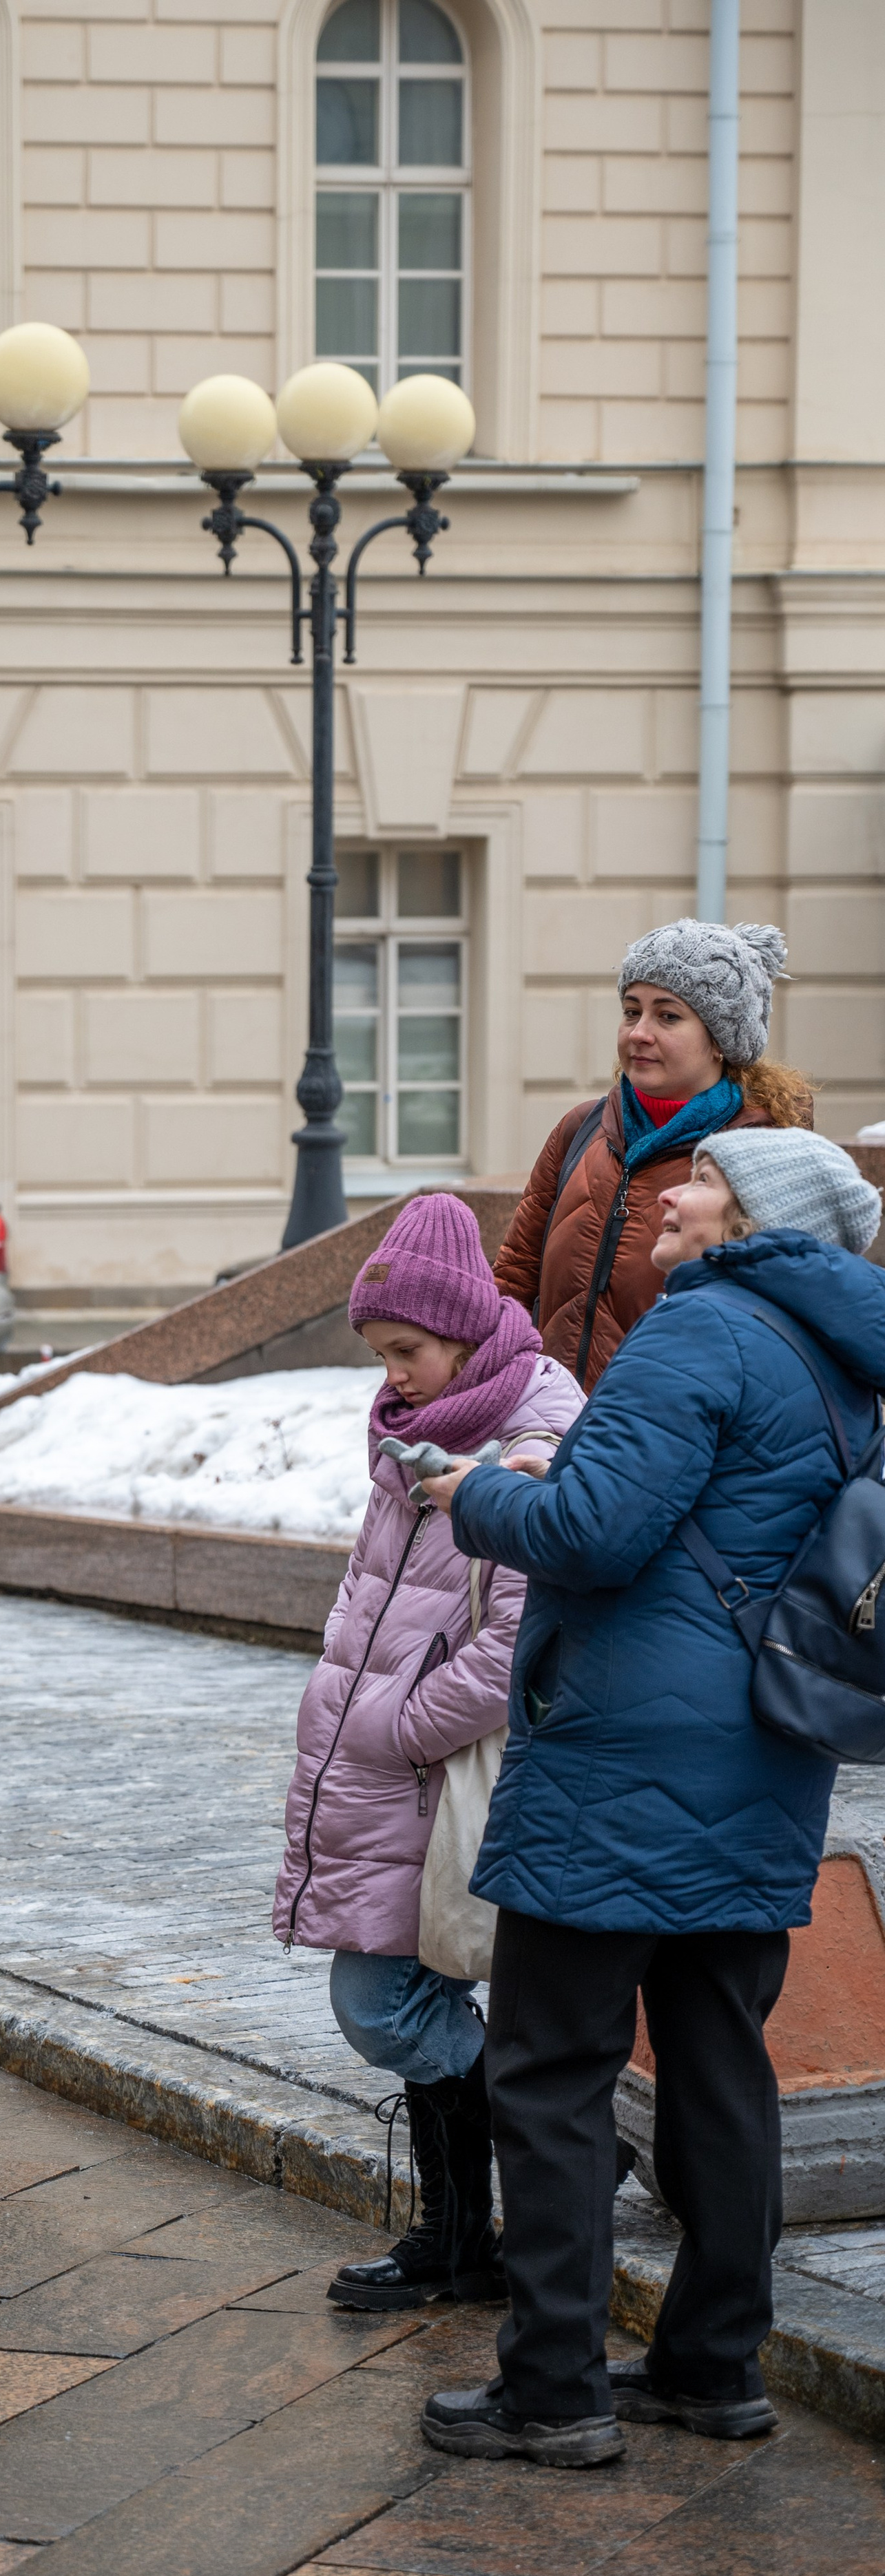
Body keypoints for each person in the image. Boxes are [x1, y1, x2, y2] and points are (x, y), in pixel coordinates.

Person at [416, 1128, 885, 2468]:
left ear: (749, 1215)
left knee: (550, 2065)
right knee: (717, 2060)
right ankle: (707, 2364)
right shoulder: (845, 1359)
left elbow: (591, 1530)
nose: (668, 1192)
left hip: (627, 1749)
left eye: (700, 1182)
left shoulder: (702, 1329)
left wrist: (484, 1495)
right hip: (764, 1748)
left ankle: (550, 2386)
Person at [273, 1194, 583, 2310]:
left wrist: (396, 1723)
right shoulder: (420, 1431)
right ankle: (461, 2235)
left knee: (388, 2001)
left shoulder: (525, 1439)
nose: (392, 1372)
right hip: (391, 1770)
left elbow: (519, 1640)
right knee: (408, 1989)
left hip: (435, 1773)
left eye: (406, 1350)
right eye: (381, 1353)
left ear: (460, 1332)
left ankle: (496, 2212)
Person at [495, 920, 813, 1391]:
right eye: (631, 1011)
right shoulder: (581, 1129)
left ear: (721, 1043)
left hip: (670, 1437)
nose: (639, 1033)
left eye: (667, 1016)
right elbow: (515, 1276)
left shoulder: (761, 1156)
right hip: (550, 1429)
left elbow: (779, 1331)